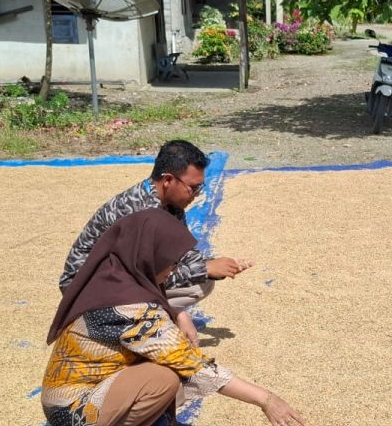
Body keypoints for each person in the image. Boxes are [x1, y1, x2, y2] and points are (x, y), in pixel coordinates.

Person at [42, 209, 306, 426]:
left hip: (66, 396)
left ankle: (116, 417)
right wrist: (265, 399)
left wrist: (178, 313)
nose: (173, 269)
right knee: (164, 378)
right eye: (169, 262)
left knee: (164, 366)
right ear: (147, 256)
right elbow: (193, 365)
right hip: (73, 412)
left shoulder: (113, 275)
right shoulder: (131, 310)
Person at [58, 140, 251, 346]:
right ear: (168, 180)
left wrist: (214, 266)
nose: (197, 194)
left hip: (120, 275)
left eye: (200, 187)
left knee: (202, 282)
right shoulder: (143, 214)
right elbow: (143, 275)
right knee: (200, 277)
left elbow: (182, 255)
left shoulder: (169, 203)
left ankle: (155, 316)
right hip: (85, 286)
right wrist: (196, 281)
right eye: (193, 188)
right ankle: (138, 322)